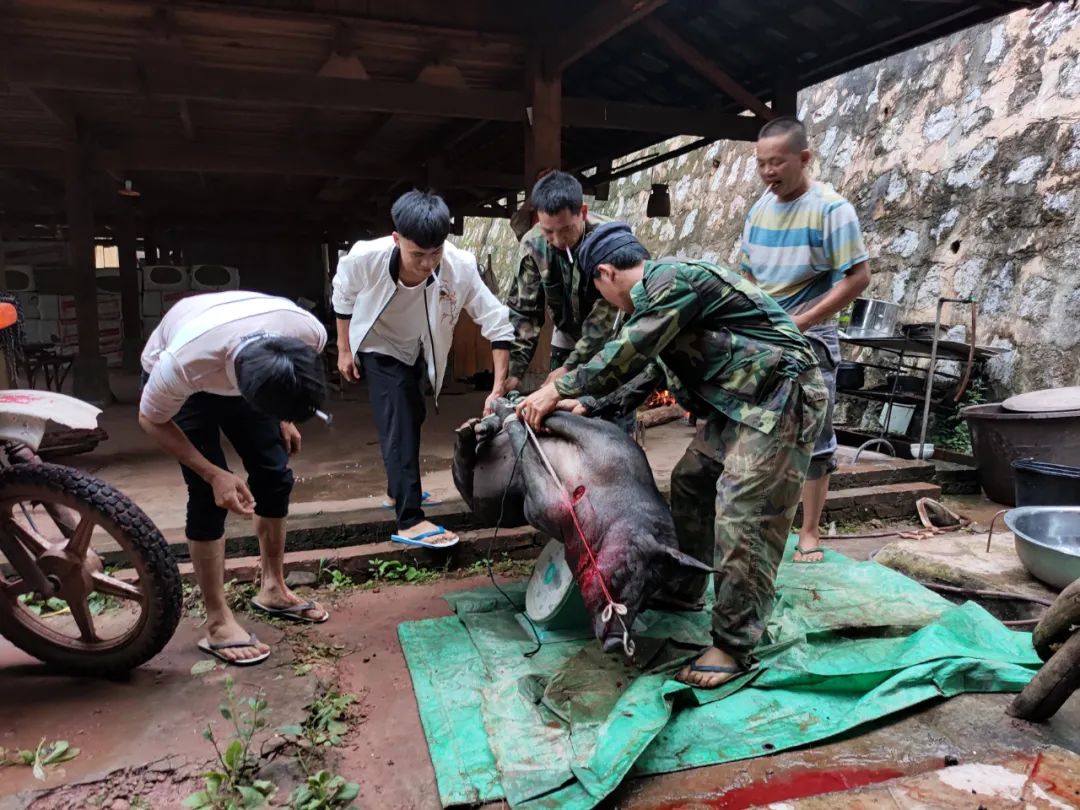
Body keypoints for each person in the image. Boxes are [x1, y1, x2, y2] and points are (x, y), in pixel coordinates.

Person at [517, 222, 828, 689]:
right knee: (691, 479)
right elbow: (647, 369)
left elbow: (632, 349)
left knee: (744, 512)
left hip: (781, 398)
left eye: (600, 293)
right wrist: (587, 403)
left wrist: (559, 387)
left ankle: (733, 643)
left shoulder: (670, 281)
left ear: (604, 274)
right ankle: (687, 585)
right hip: (741, 403)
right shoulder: (661, 305)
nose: (606, 304)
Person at [139, 290, 330, 666]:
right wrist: (214, 474)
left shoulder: (307, 332)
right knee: (208, 494)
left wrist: (284, 415)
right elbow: (150, 419)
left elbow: (289, 373)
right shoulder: (183, 364)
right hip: (192, 383)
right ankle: (217, 621)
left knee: (274, 473)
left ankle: (273, 588)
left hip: (247, 358)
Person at [333, 190, 514, 548]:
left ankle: (394, 491)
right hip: (378, 343)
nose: (429, 263)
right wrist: (343, 349)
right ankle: (409, 518)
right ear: (397, 238)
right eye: (418, 254)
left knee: (411, 415)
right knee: (399, 418)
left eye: (436, 253)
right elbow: (343, 298)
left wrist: (497, 387)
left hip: (421, 347)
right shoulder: (364, 258)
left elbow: (497, 323)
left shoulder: (459, 266)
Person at [742, 116, 871, 563]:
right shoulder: (759, 209)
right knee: (760, 428)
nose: (768, 172)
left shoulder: (832, 210)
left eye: (776, 163)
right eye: (761, 164)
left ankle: (810, 532)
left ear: (804, 158)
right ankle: (761, 524)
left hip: (811, 335)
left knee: (815, 434)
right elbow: (748, 273)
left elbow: (858, 277)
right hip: (765, 335)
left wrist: (805, 320)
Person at [504, 172, 629, 415]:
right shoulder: (534, 244)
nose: (558, 240)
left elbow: (604, 319)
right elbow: (524, 311)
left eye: (566, 230)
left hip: (612, 345)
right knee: (556, 419)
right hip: (566, 338)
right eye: (548, 231)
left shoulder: (610, 240)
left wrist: (572, 367)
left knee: (609, 421)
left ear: (582, 212)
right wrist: (514, 373)